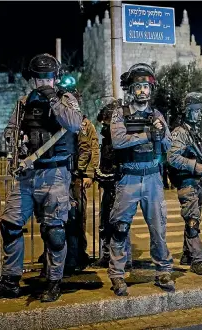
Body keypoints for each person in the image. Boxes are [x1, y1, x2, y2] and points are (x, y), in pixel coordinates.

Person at [0, 53, 82, 302]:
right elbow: (11, 129)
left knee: (54, 231)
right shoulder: (23, 102)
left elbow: (75, 124)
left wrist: (53, 99)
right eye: (39, 77)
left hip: (55, 174)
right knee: (9, 225)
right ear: (32, 79)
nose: (43, 82)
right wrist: (15, 143)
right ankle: (10, 281)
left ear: (56, 78)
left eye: (48, 77)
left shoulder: (66, 99)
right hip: (28, 174)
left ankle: (53, 281)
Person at [108, 63, 174, 296]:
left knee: (158, 228)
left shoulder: (156, 115)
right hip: (129, 177)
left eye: (146, 86)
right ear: (131, 89)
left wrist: (160, 133)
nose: (143, 91)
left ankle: (163, 270)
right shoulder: (120, 113)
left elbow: (168, 144)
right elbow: (118, 141)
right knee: (120, 227)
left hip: (153, 178)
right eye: (138, 86)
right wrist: (147, 133)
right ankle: (117, 274)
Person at [167, 92, 202, 276]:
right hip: (187, 182)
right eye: (196, 111)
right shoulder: (180, 133)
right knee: (193, 220)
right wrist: (196, 167)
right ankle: (198, 260)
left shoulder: (194, 133)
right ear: (187, 111)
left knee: (193, 219)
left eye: (201, 110)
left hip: (197, 184)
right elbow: (172, 158)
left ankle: (187, 254)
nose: (199, 114)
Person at [91, 97, 132, 270]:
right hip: (109, 183)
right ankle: (107, 254)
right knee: (106, 220)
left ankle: (124, 258)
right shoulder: (108, 135)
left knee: (119, 222)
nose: (104, 126)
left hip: (119, 183)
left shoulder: (120, 134)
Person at [64, 114, 100, 275]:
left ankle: (77, 254)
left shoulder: (83, 124)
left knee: (76, 217)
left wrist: (88, 173)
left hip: (75, 176)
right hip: (62, 175)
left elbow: (90, 148)